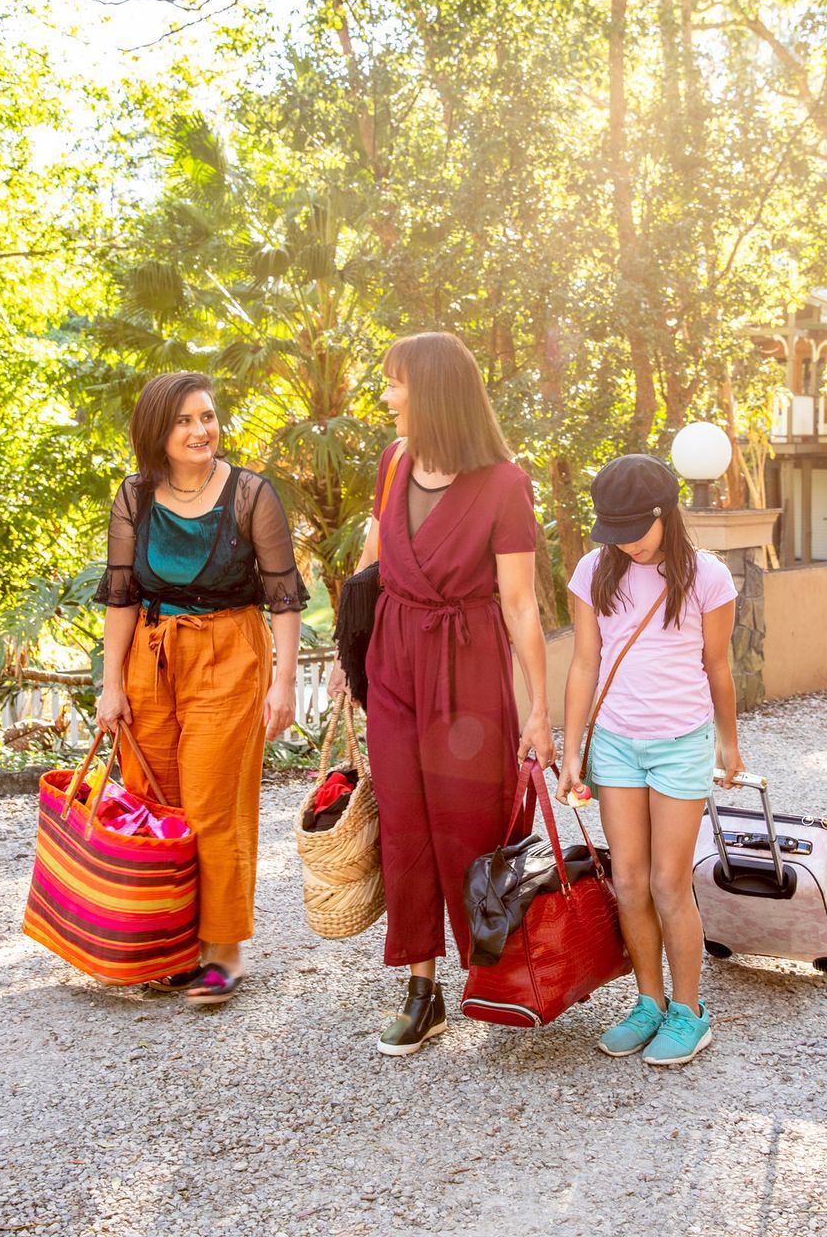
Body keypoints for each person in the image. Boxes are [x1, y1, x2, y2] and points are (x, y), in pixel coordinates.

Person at [327, 331, 555, 1056]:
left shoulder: (505, 484)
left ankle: (494, 976)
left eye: (396, 383)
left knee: (471, 821)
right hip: (393, 656)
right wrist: (346, 652)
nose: (386, 396)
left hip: (467, 664)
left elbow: (520, 605)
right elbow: (372, 557)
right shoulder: (393, 463)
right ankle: (421, 990)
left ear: (432, 392)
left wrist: (540, 711)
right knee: (404, 823)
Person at [94, 371, 308, 1003]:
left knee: (214, 802)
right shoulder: (133, 497)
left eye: (207, 417)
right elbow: (120, 595)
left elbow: (284, 597)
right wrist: (111, 686)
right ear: (158, 432)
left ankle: (223, 951)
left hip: (230, 654)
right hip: (150, 657)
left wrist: (284, 684)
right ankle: (170, 944)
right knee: (154, 800)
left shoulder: (250, 495)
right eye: (185, 420)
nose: (200, 430)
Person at [557, 454, 743, 1068]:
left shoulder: (708, 577)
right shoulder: (593, 571)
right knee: (629, 881)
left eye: (635, 530)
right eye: (615, 532)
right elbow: (585, 662)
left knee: (668, 881)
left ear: (665, 514)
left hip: (680, 743)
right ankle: (648, 1001)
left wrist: (728, 742)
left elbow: (718, 666)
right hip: (614, 744)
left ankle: (690, 1014)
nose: (626, 544)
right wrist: (571, 750)